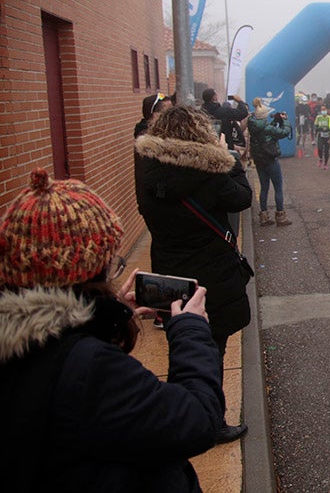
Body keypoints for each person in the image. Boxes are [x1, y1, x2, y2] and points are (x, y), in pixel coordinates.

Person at [0, 169, 224, 490]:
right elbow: (196, 419)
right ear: (85, 272)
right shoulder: (91, 368)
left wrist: (101, 317)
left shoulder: (24, 346)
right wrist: (190, 330)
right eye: (109, 264)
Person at [134, 105, 254, 443]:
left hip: (170, 273)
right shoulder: (212, 172)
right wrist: (229, 159)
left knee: (181, 345)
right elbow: (242, 199)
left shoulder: (148, 170)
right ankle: (210, 421)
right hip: (212, 275)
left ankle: (181, 410)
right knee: (211, 348)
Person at [247, 98, 293, 226]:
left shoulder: (253, 125)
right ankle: (280, 216)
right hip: (271, 161)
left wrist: (274, 121)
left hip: (259, 161)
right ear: (264, 116)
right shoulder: (267, 128)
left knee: (264, 188)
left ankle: (264, 216)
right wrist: (285, 120)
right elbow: (284, 132)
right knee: (278, 188)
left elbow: (266, 129)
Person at [314, 104, 330, 169]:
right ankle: (320, 159)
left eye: (324, 109)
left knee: (326, 151)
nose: (323, 111)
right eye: (322, 110)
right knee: (320, 148)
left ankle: (325, 164)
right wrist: (320, 129)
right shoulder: (318, 117)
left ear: (327, 110)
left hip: (328, 135)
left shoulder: (329, 117)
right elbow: (315, 126)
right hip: (321, 135)